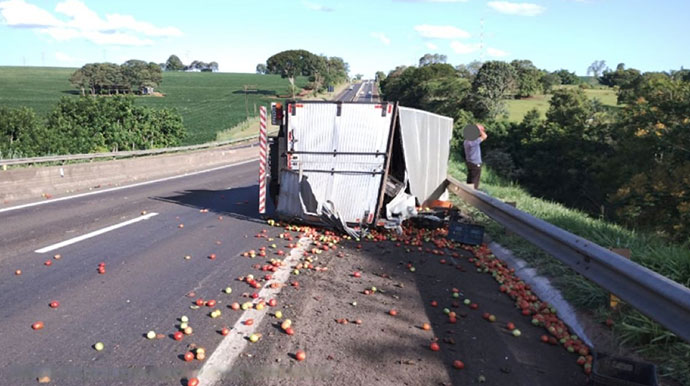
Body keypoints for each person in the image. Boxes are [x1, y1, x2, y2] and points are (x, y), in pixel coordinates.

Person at [463, 124, 487, 189]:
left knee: (470, 179)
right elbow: (484, 136)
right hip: (475, 164)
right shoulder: (473, 142)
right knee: (475, 182)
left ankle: (467, 192)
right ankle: (473, 193)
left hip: (469, 163)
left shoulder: (466, 141)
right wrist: (479, 130)